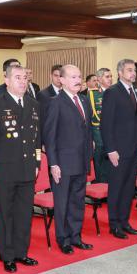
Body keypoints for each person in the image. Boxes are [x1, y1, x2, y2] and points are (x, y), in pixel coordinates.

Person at [0, 64, 41, 273]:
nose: (23, 81)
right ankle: (7, 255)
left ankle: (21, 252)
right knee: (5, 214)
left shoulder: (33, 104)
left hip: (26, 169)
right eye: (17, 77)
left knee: (24, 213)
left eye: (25, 77)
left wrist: (37, 163)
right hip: (4, 170)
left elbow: (36, 138)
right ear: (6, 80)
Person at [43, 65, 94, 254]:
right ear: (62, 80)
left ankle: (76, 236)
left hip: (81, 161)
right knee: (63, 203)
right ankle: (63, 239)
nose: (78, 80)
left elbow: (87, 132)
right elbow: (50, 135)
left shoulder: (83, 100)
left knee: (78, 202)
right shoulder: (55, 102)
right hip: (63, 163)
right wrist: (53, 163)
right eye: (73, 77)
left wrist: (88, 157)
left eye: (79, 76)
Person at [100, 59, 137, 238]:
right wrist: (111, 149)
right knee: (117, 187)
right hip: (118, 150)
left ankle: (124, 221)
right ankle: (114, 224)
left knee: (128, 188)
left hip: (134, 149)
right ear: (120, 73)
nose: (133, 73)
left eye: (134, 70)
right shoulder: (112, 92)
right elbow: (106, 124)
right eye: (129, 70)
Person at [88, 67, 112, 183]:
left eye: (111, 76)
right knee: (100, 163)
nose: (110, 79)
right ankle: (101, 189)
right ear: (99, 79)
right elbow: (88, 118)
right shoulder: (93, 94)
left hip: (113, 134)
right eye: (107, 77)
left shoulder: (115, 92)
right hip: (98, 134)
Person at [37, 64, 62, 137]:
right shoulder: (43, 95)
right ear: (51, 76)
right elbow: (41, 121)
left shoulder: (68, 93)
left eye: (60, 76)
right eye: (56, 75)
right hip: (51, 136)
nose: (58, 79)